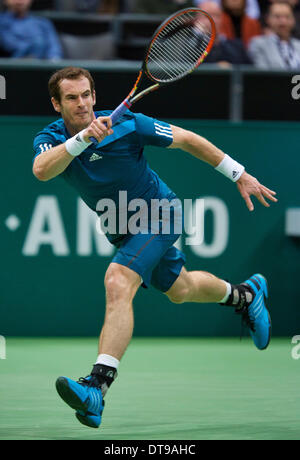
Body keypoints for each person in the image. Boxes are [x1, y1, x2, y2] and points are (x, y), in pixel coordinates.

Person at [32, 66, 276, 429]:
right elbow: (42, 170)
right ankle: (244, 295)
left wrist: (239, 174)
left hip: (159, 213)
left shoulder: (128, 123)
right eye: (71, 98)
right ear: (57, 104)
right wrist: (81, 139)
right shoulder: (50, 137)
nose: (81, 103)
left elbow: (188, 139)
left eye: (86, 95)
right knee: (181, 288)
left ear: (95, 96)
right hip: (122, 228)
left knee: (117, 280)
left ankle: (97, 386)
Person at [198, 0, 252, 65]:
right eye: (207, 16)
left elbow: (250, 69)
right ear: (197, 19)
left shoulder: (237, 46)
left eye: (217, 16)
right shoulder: (189, 44)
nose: (213, 20)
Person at [249, 1, 300, 68]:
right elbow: (262, 74)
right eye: (277, 17)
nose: (283, 22)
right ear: (268, 19)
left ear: (293, 20)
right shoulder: (258, 44)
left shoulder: (298, 45)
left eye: (287, 17)